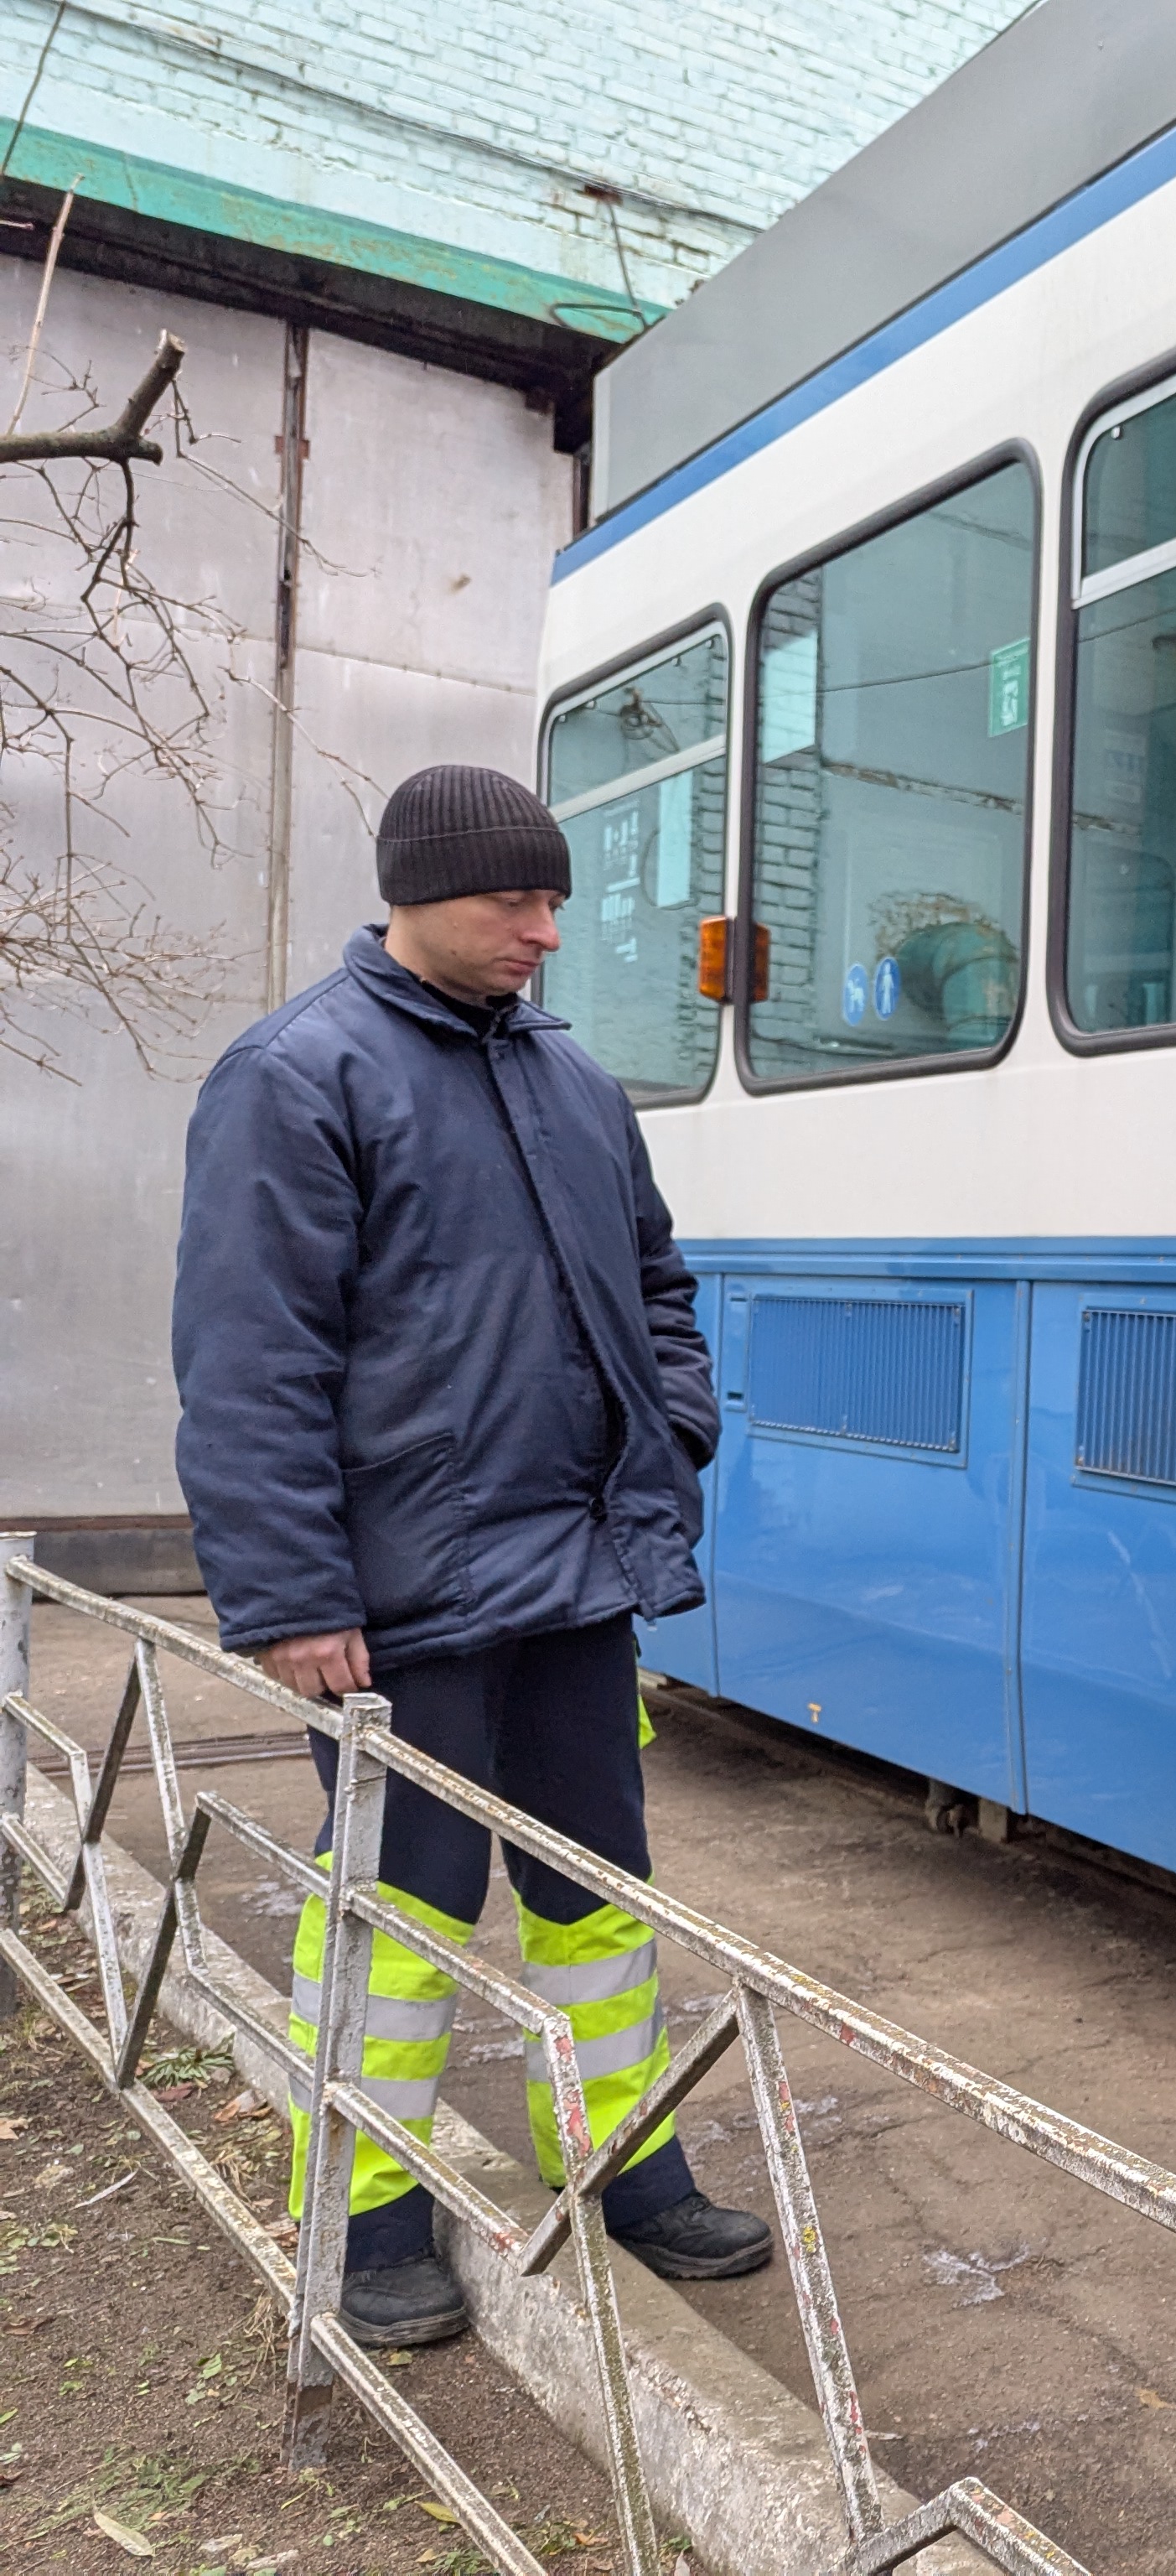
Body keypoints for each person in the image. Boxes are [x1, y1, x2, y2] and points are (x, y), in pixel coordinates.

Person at [172, 764, 774, 2348]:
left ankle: (631, 2169)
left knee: (598, 1894)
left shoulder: (571, 1080)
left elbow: (658, 1284)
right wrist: (292, 1596)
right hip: (398, 1606)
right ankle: (370, 2209)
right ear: (419, 892)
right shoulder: (296, 1075)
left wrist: (676, 1431)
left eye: (556, 899)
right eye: (518, 900)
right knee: (404, 1909)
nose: (548, 932)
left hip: (573, 1581)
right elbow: (252, 1361)